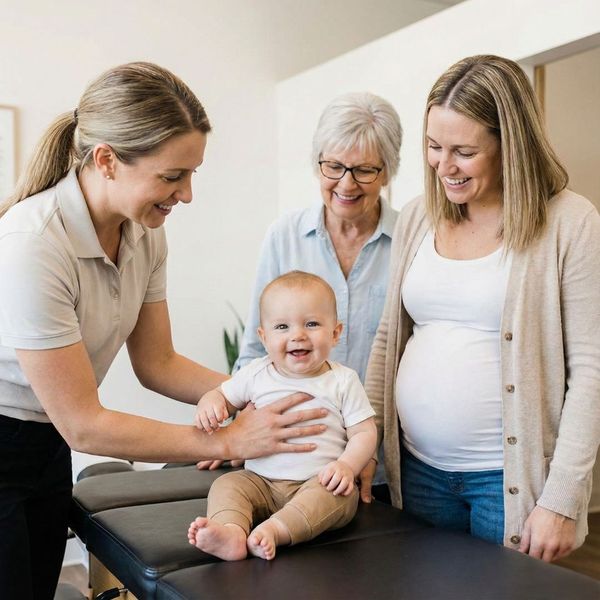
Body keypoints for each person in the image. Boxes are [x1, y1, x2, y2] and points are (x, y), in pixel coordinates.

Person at [0, 62, 328, 600]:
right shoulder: (32, 244)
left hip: (46, 444)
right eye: (173, 176)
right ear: (106, 160)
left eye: (192, 173)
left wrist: (265, 396)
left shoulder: (145, 234)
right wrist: (226, 438)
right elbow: (85, 424)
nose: (187, 194)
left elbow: (157, 363)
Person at [364, 54, 600, 562]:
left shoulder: (570, 223)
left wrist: (561, 499)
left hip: (506, 482)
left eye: (463, 151)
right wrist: (363, 444)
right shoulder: (418, 217)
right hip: (417, 470)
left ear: (509, 145)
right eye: (433, 146)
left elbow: (592, 372)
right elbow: (389, 339)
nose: (443, 166)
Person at [199, 92, 402, 502]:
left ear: (387, 172)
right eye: (334, 166)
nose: (346, 183)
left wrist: (364, 451)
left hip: (381, 457)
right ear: (318, 163)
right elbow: (257, 348)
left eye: (364, 170)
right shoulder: (285, 235)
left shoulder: (411, 240)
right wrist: (239, 431)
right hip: (288, 455)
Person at [189, 271, 377, 560]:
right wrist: (210, 403)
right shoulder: (255, 373)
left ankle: (275, 530)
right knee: (227, 484)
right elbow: (223, 396)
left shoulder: (343, 381)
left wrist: (346, 466)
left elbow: (364, 432)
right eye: (282, 326)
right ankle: (231, 532)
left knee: (338, 496)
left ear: (336, 333)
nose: (297, 335)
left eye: (312, 324)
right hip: (259, 481)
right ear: (264, 337)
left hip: (317, 481)